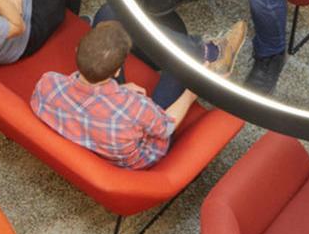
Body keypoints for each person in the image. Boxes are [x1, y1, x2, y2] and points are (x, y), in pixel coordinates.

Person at [30, 19, 244, 169]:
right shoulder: (136, 107)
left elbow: (80, 105)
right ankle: (212, 54)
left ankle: (196, 46)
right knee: (186, 58)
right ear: (117, 71)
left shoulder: (47, 83)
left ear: (77, 50)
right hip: (142, 152)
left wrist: (116, 91)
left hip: (100, 133)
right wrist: (191, 92)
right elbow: (166, 127)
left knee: (108, 13)